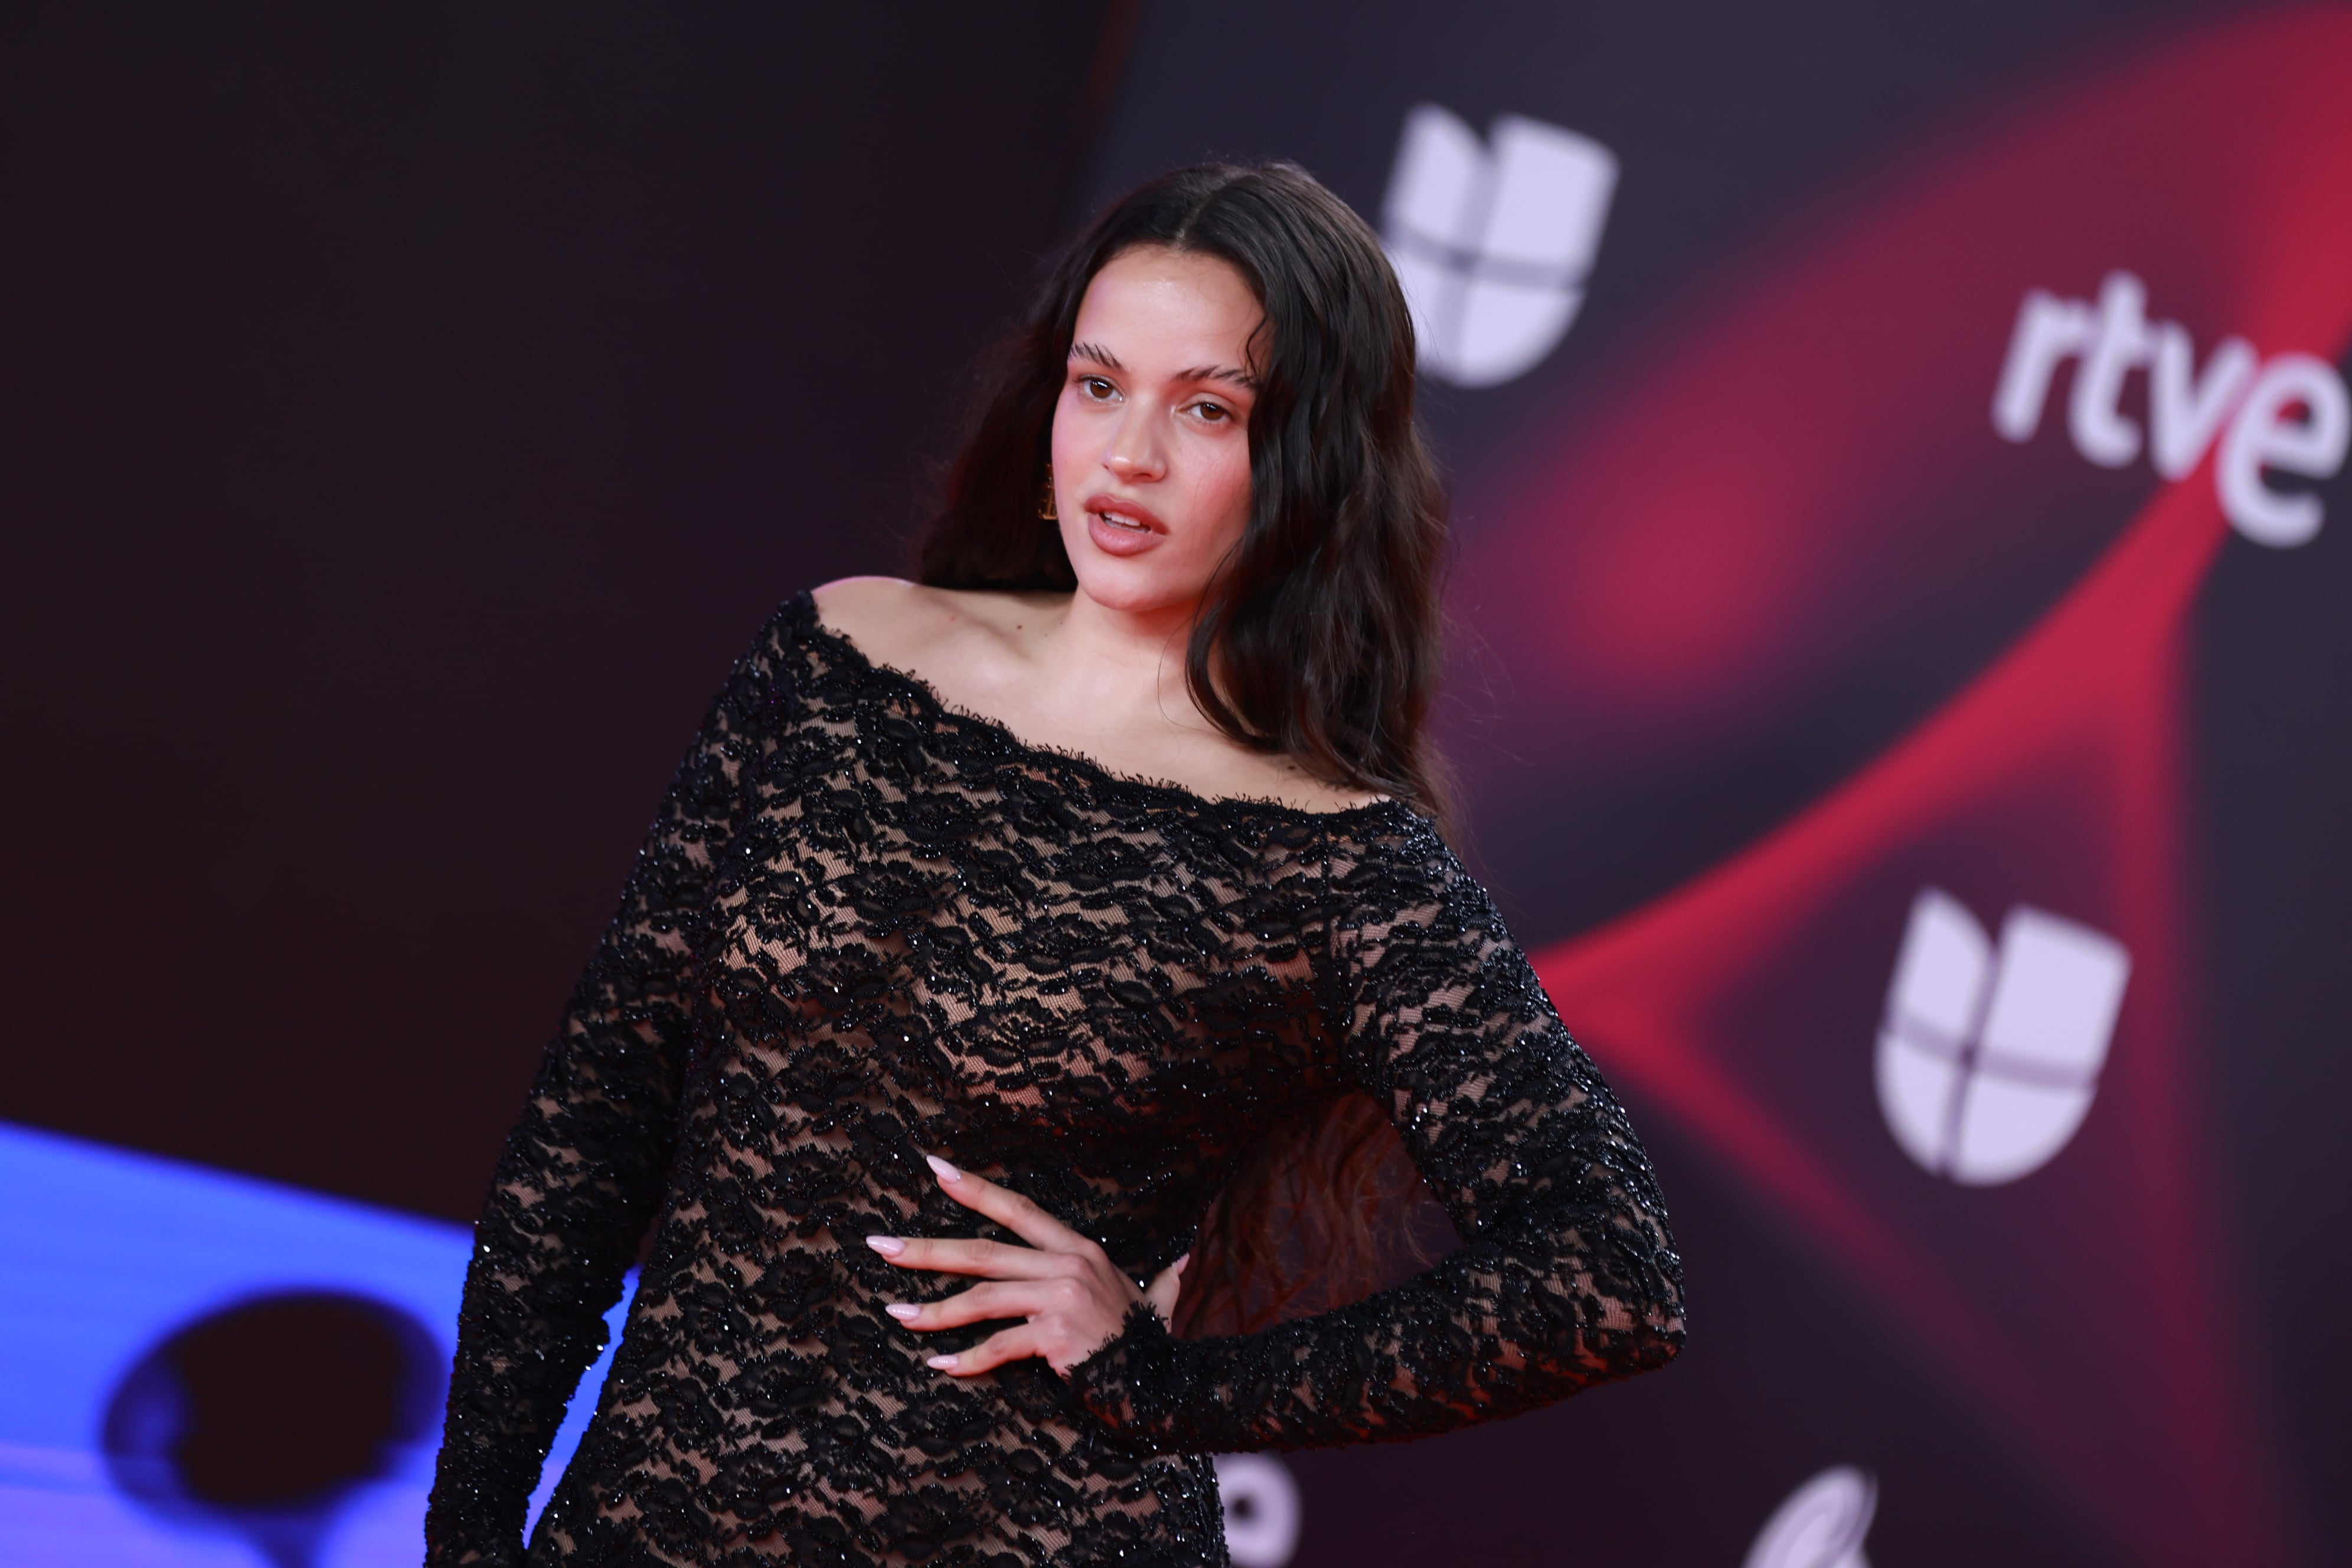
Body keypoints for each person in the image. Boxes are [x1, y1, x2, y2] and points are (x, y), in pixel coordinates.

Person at [423, 161, 1685, 1568]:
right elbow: (591, 1123)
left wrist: (1173, 1386)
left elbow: (1612, 1272)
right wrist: (471, 1529)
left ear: (1314, 460)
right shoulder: (840, 654)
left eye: (1207, 408)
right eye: (1100, 384)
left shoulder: (1334, 856)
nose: (1128, 455)